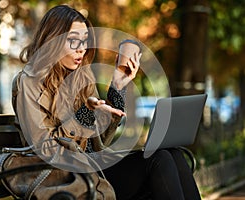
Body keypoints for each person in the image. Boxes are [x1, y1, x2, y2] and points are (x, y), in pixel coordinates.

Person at [12, 4, 201, 200]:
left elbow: (99, 142)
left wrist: (118, 86)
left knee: (174, 154)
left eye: (84, 41)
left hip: (93, 168)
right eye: (73, 41)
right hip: (67, 177)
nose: (82, 50)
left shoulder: (81, 78)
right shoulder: (28, 82)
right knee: (159, 160)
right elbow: (45, 151)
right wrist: (84, 114)